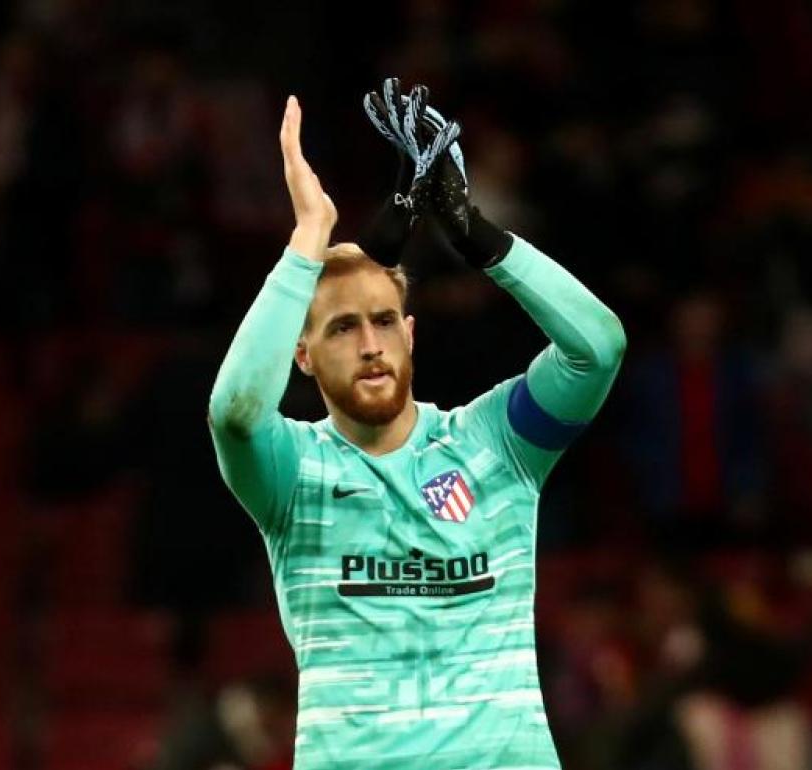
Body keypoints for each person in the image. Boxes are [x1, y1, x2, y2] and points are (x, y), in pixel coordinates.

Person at [206, 88, 625, 769]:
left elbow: (597, 350)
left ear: (409, 335)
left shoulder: (499, 445)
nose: (370, 344)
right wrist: (309, 240)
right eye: (342, 327)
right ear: (302, 355)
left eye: (381, 321)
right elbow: (234, 411)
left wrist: (477, 237)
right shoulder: (290, 472)